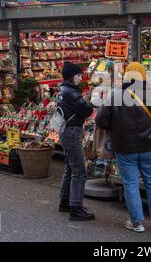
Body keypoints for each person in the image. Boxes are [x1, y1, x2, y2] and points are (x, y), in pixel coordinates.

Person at [95, 62, 151, 233]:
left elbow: (100, 120)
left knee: (130, 183)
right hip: (148, 146)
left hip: (124, 147)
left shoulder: (115, 95)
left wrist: (115, 126)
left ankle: (136, 222)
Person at [58, 62, 95, 221]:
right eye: (79, 75)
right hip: (72, 132)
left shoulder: (64, 90)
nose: (81, 77)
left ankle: (65, 201)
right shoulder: (71, 93)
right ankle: (76, 208)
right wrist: (92, 102)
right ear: (72, 76)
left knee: (70, 167)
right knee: (80, 170)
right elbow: (87, 110)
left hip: (66, 131)